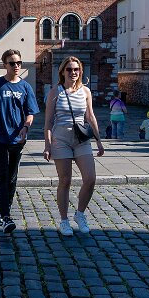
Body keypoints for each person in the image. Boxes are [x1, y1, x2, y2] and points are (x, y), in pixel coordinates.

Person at [0, 49, 39, 234]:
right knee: (1, 176)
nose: (16, 66)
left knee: (12, 177)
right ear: (5, 65)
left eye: (19, 63)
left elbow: (30, 112)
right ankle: (5, 216)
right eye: (12, 63)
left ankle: (6, 210)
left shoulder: (25, 87)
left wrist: (26, 127)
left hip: (17, 139)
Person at [43, 56, 104, 235]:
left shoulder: (85, 91)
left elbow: (90, 117)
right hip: (60, 138)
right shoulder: (55, 92)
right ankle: (64, 220)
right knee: (65, 180)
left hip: (81, 139)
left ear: (80, 71)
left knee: (90, 178)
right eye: (69, 69)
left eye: (76, 69)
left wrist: (99, 141)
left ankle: (80, 213)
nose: (73, 72)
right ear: (62, 71)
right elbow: (48, 122)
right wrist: (47, 145)